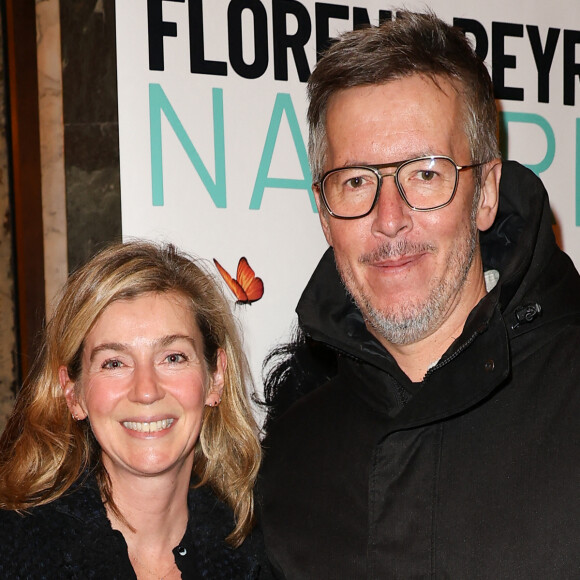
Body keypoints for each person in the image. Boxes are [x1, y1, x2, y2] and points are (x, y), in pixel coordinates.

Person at [258, 10, 580, 579]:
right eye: (356, 180)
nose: (389, 219)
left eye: (426, 174)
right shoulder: (289, 455)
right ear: (324, 214)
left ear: (485, 194)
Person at [0, 241, 268, 579]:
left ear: (216, 377)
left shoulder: (266, 553)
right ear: (73, 393)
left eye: (173, 357)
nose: (146, 391)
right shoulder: (13, 553)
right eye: (114, 363)